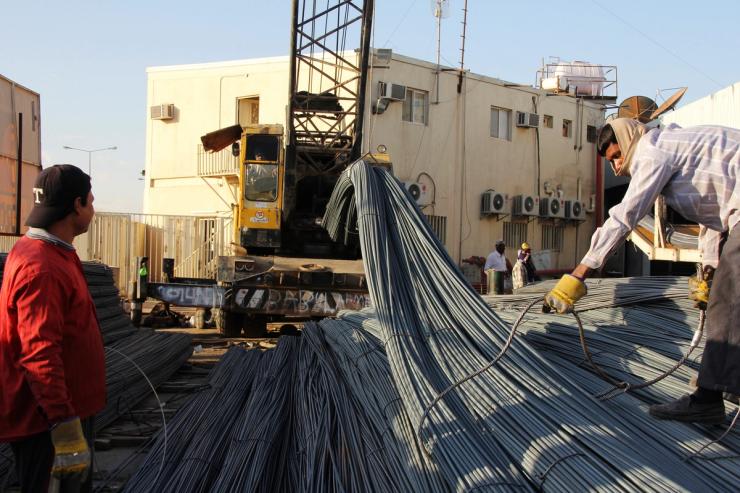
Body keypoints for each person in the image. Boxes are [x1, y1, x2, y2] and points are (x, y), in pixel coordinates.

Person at [544, 118, 739, 424]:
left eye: (616, 156)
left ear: (628, 139)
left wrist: (579, 273)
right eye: (610, 162)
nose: (616, 167)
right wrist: (709, 271)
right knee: (727, 296)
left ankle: (708, 399)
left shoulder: (652, 150)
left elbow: (626, 216)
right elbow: (714, 218)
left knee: (727, 303)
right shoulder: (678, 148)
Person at [0, 165, 105, 491]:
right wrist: (63, 426)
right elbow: (39, 353)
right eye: (90, 200)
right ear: (76, 206)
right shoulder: (41, 268)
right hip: (47, 424)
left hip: (62, 413)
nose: (93, 208)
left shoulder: (52, 252)